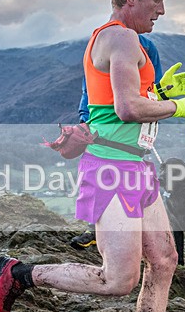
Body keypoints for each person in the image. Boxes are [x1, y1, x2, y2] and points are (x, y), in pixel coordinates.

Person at [0, 0, 185, 312]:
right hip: (112, 172)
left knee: (163, 260)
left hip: (136, 168)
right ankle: (18, 274)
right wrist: (177, 106)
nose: (162, 9)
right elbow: (128, 108)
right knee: (118, 279)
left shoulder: (126, 42)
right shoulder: (120, 39)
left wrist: (159, 89)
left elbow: (113, 107)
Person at [70, 35, 165, 251]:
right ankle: (96, 229)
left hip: (131, 128)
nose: (160, 11)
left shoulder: (146, 46)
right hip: (106, 124)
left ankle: (129, 230)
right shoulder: (107, 41)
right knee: (105, 177)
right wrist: (85, 116)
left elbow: (154, 87)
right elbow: (91, 85)